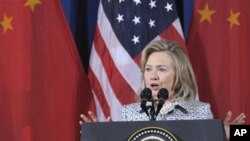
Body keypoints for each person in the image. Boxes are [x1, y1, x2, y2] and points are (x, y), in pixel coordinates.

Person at [80, 39, 246, 139]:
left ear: (179, 74)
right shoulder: (129, 113)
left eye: (161, 69)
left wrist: (231, 136)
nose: (153, 76)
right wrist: (99, 135)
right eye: (148, 69)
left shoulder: (201, 111)